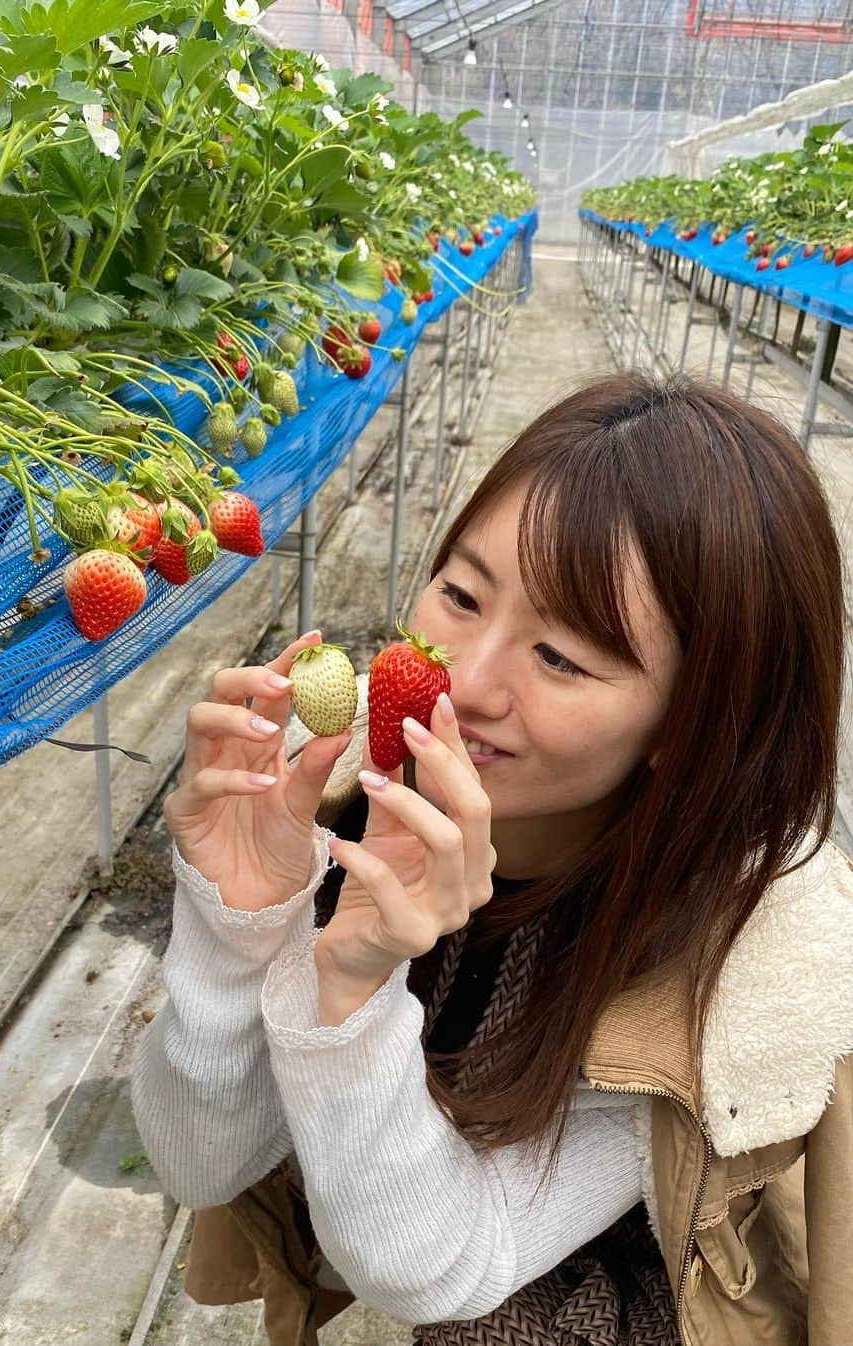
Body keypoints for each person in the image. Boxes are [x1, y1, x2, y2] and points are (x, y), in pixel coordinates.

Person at [130, 371, 852, 1346]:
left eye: (561, 656)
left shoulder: (727, 971)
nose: (462, 681)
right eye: (462, 594)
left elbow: (448, 1257)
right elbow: (202, 1166)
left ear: (692, 723)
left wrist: (350, 986)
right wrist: (237, 919)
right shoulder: (343, 795)